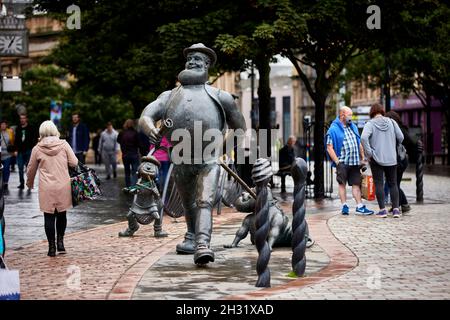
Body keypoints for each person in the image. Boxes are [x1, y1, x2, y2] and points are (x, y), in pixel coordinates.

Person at [139, 43, 246, 265]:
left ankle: (203, 244)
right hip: (180, 159)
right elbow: (146, 116)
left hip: (208, 160)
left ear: (207, 64)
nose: (192, 62)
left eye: (197, 59)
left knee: (204, 200)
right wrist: (152, 131)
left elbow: (239, 128)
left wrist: (222, 151)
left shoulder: (220, 96)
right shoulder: (169, 95)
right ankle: (190, 236)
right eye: (189, 59)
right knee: (188, 203)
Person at [26, 121, 79, 256]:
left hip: (46, 187)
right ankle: (61, 243)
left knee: (48, 216)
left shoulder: (37, 148)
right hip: (63, 184)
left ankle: (51, 247)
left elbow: (31, 169)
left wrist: (29, 183)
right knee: (62, 214)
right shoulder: (64, 144)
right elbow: (74, 162)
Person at [326, 106, 374, 216]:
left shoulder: (353, 127)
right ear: (342, 115)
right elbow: (329, 147)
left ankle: (360, 206)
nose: (351, 117)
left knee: (356, 184)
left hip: (355, 162)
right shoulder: (333, 129)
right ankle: (344, 206)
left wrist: (362, 157)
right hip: (342, 162)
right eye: (349, 115)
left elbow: (359, 142)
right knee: (342, 184)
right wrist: (337, 162)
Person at [361, 103, 404, 218]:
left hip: (376, 159)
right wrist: (392, 145)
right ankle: (395, 210)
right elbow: (401, 137)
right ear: (382, 111)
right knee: (393, 184)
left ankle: (382, 210)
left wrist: (369, 152)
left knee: (379, 183)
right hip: (391, 158)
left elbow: (364, 137)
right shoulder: (391, 122)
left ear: (372, 112)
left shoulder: (369, 124)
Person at [385, 110, 412, 213]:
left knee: (393, 183)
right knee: (395, 183)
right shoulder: (397, 127)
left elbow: (408, 140)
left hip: (399, 160)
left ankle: (402, 204)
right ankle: (400, 204)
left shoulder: (399, 128)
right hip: (399, 159)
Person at [14, 114, 38, 189]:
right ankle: (21, 183)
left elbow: (35, 138)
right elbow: (16, 140)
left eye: (23, 118)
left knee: (29, 168)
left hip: (29, 151)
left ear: (26, 119)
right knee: (20, 167)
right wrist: (15, 150)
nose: (22, 120)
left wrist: (33, 148)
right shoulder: (18, 128)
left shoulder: (31, 128)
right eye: (21, 118)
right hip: (20, 151)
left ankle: (29, 183)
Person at [118, 119, 140, 187]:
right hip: (134, 154)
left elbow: (118, 141)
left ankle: (128, 186)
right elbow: (138, 143)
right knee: (134, 172)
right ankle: (133, 186)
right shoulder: (135, 133)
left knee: (127, 172)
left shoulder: (122, 133)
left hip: (125, 155)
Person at [1, 120, 15, 191]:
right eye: (2, 124)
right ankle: (2, 182)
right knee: (1, 170)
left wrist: (13, 151)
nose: (3, 126)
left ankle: (5, 182)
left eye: (4, 124)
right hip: (0, 154)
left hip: (8, 154)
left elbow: (12, 142)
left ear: (6, 125)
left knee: (6, 169)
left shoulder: (10, 132)